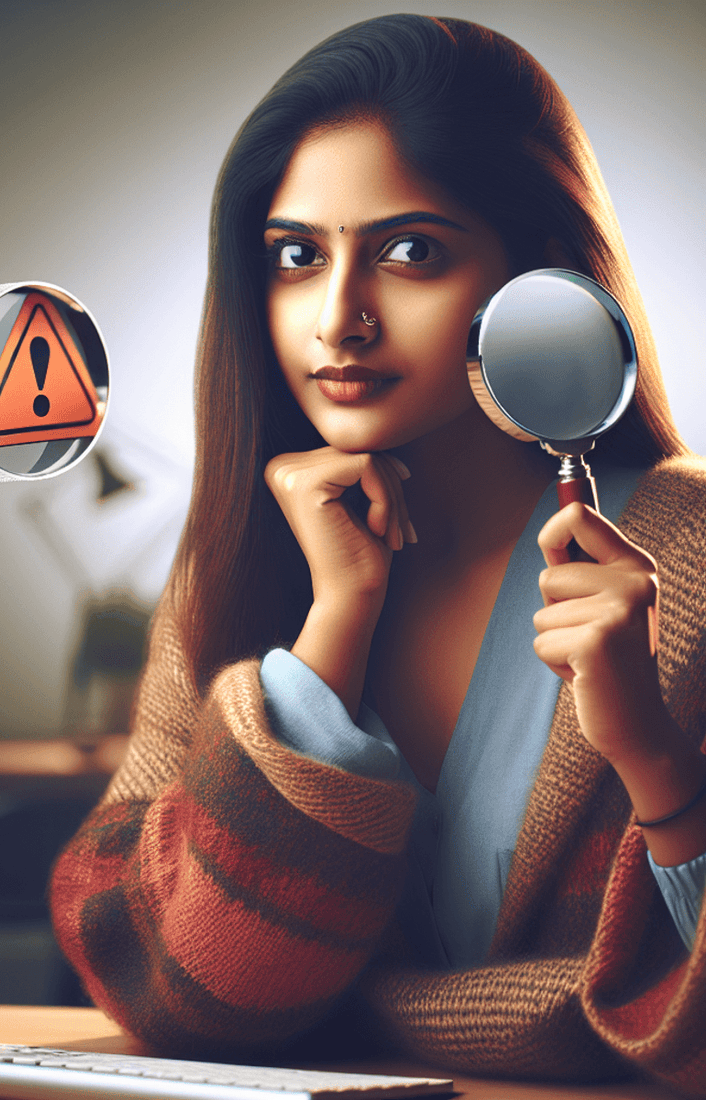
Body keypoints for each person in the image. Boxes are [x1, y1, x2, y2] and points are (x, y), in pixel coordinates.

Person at [49, 14, 706, 1092]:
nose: (338, 319)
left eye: (410, 252)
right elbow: (179, 991)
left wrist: (652, 762)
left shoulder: (686, 553)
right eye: (296, 257)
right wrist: (330, 633)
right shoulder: (229, 571)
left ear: (534, 275)